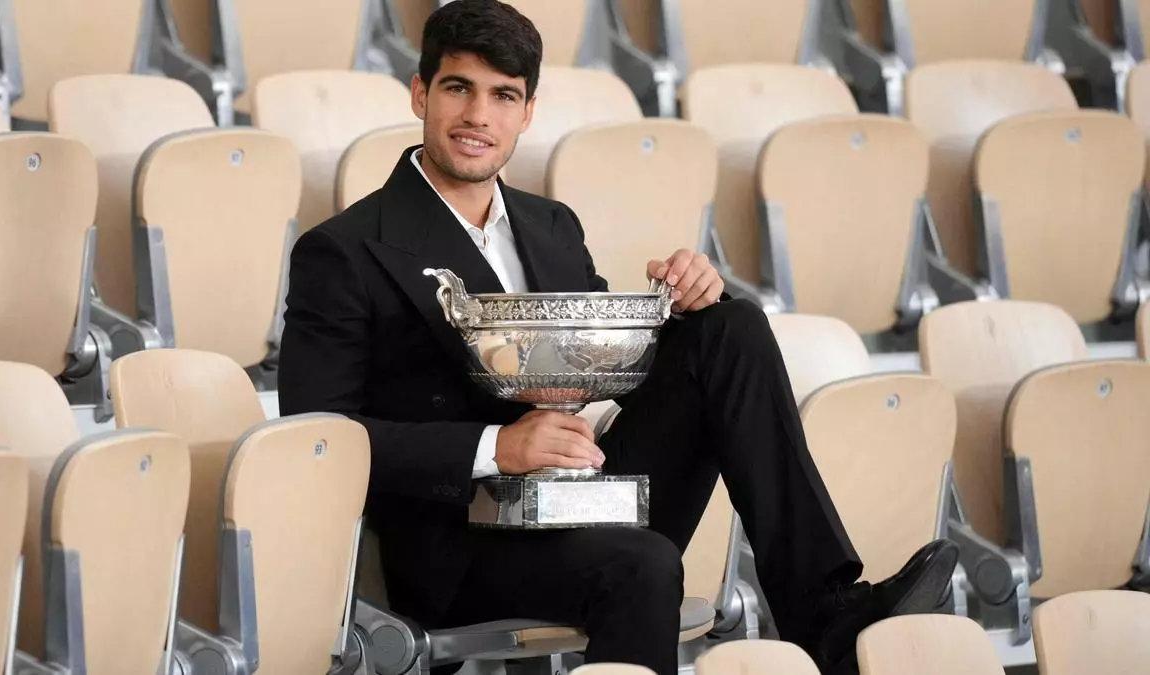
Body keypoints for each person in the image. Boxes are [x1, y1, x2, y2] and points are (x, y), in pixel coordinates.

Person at [279, 1, 957, 672]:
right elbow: (319, 440)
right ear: (420, 94)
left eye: (503, 95)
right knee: (642, 562)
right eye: (459, 88)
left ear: (528, 111)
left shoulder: (552, 226)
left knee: (730, 326)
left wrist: (679, 303)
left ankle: (826, 611)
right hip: (459, 541)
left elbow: (607, 365)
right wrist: (496, 446)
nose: (479, 115)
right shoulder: (342, 250)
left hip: (580, 494)